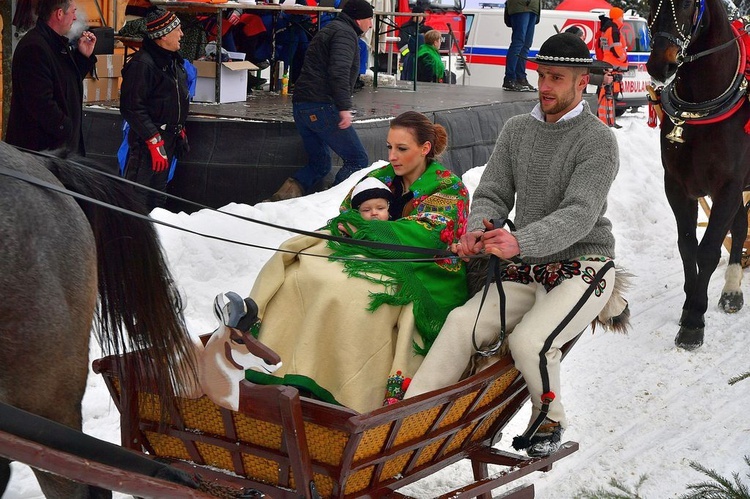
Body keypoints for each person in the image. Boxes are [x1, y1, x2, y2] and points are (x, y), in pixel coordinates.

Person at [404, 33, 625, 458]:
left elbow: (579, 214)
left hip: (584, 263)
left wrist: (518, 239)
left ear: (583, 83)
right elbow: (491, 193)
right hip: (524, 264)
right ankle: (412, 420)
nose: (545, 85)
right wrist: (478, 229)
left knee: (530, 342)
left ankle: (551, 418)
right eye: (541, 75)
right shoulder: (516, 129)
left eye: (556, 77)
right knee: (459, 323)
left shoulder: (599, 140)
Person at [245, 111, 470, 413]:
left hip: (423, 269)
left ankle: (345, 390)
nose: (392, 156)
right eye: (389, 147)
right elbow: (346, 211)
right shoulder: (380, 177)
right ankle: (286, 367)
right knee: (303, 271)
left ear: (425, 149)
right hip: (367, 256)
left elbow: (429, 234)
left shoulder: (449, 187)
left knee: (355, 296)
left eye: (402, 149)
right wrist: (360, 227)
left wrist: (367, 228)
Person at [267, 0, 374, 202]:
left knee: (320, 164)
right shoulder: (344, 34)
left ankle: (282, 200)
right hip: (322, 105)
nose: (370, 25)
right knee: (357, 160)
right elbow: (339, 72)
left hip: (302, 105)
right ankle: (332, 205)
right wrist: (343, 107)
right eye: (369, 19)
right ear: (359, 19)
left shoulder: (331, 29)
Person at [120, 7, 190, 211]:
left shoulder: (171, 60)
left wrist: (179, 126)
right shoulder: (143, 64)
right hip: (148, 143)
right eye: (178, 29)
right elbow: (132, 107)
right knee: (137, 199)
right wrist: (153, 140)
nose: (182, 34)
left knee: (158, 200)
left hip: (167, 139)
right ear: (164, 35)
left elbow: (174, 97)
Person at [6, 0, 97, 155]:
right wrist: (66, 127)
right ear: (59, 14)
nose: (75, 18)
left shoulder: (54, 44)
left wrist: (83, 57)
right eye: (73, 12)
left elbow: (65, 85)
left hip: (56, 149)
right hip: (39, 153)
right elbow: (40, 102)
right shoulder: (34, 47)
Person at [596, 7, 628, 128]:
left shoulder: (606, 29)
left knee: (606, 96)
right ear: (618, 17)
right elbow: (616, 49)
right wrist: (623, 57)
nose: (623, 18)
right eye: (622, 16)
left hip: (608, 66)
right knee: (609, 97)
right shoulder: (614, 30)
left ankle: (607, 120)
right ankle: (607, 122)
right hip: (613, 67)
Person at [502, 0, 540, 92]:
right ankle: (510, 78)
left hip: (532, 7)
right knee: (518, 43)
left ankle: (520, 78)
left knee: (526, 44)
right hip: (521, 6)